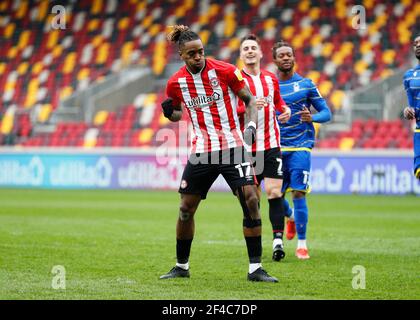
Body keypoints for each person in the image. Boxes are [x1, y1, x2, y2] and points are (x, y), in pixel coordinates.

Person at [159, 25, 278, 282]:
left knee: (251, 200)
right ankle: (181, 266)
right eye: (192, 54)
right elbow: (179, 113)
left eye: (201, 52)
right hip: (202, 150)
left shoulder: (224, 70)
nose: (198, 57)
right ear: (181, 55)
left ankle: (255, 269)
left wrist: (251, 127)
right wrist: (170, 113)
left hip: (232, 146)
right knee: (185, 209)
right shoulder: (175, 83)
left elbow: (248, 101)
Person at [272, 40, 332, 260]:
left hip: (301, 147)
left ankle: (302, 244)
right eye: (282, 55)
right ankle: (290, 217)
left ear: (294, 58)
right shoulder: (270, 85)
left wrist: (313, 117)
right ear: (275, 60)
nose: (286, 58)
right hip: (276, 147)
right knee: (274, 194)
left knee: (298, 192)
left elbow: (327, 113)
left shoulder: (306, 84)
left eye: (289, 54)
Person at [237, 34, 291, 261]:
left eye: (253, 48)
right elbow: (231, 110)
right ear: (241, 55)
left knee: (275, 192)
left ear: (260, 53)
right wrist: (247, 106)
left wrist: (285, 109)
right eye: (246, 48)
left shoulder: (270, 78)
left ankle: (277, 241)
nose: (250, 51)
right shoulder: (236, 79)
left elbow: (278, 102)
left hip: (271, 144)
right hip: (247, 148)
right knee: (252, 197)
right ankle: (256, 243)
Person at [403, 35, 420, 180]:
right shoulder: (409, 76)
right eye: (416, 43)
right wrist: (408, 111)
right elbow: (412, 107)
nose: (418, 45)